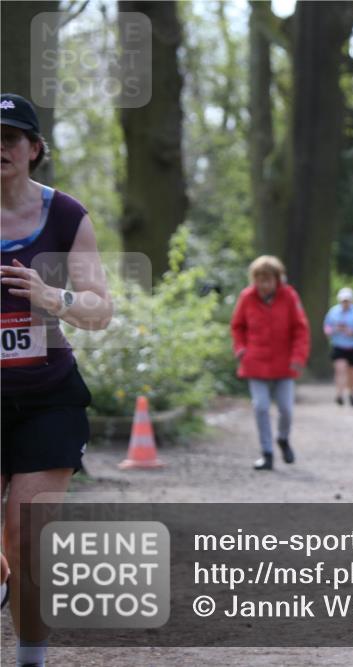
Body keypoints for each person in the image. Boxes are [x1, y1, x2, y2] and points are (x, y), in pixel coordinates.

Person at [0, 93, 114, 667]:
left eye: (11, 137)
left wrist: (53, 296)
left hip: (48, 398)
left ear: (35, 149)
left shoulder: (66, 215)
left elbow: (99, 309)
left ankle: (30, 661)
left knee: (28, 539)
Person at [230, 255, 310, 471]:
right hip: (255, 363)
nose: (263, 285)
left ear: (277, 279)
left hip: (284, 364)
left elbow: (301, 330)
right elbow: (237, 327)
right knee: (261, 407)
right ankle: (267, 453)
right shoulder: (246, 297)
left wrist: (298, 358)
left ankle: (283, 439)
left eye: (268, 280)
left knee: (286, 409)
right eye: (259, 280)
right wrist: (240, 349)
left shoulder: (289, 297)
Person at [323, 286, 353, 406]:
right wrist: (334, 330)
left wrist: (352, 332)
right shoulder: (333, 312)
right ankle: (339, 394)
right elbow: (327, 327)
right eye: (343, 300)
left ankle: (351, 393)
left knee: (352, 372)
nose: (345, 303)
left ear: (351, 300)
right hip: (339, 346)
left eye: (347, 300)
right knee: (339, 370)